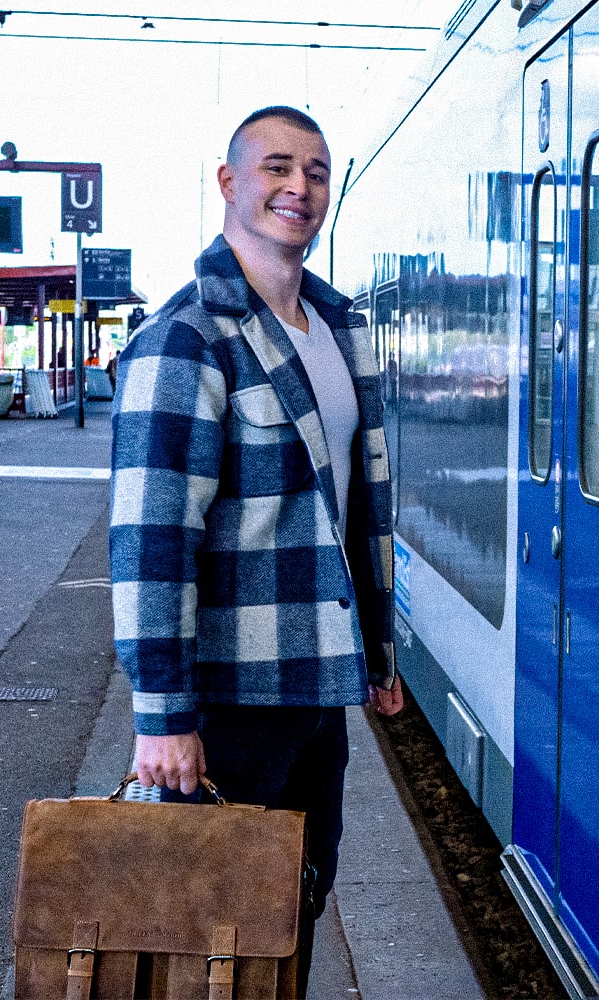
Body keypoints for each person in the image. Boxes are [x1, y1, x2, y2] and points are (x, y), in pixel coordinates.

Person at [109, 105, 402, 961]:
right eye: (276, 167)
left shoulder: (336, 328)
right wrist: (163, 715)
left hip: (312, 696)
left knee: (292, 912)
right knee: (216, 937)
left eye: (315, 172)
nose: (298, 187)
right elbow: (151, 539)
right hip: (232, 699)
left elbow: (350, 512)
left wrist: (377, 656)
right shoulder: (186, 338)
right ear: (230, 184)